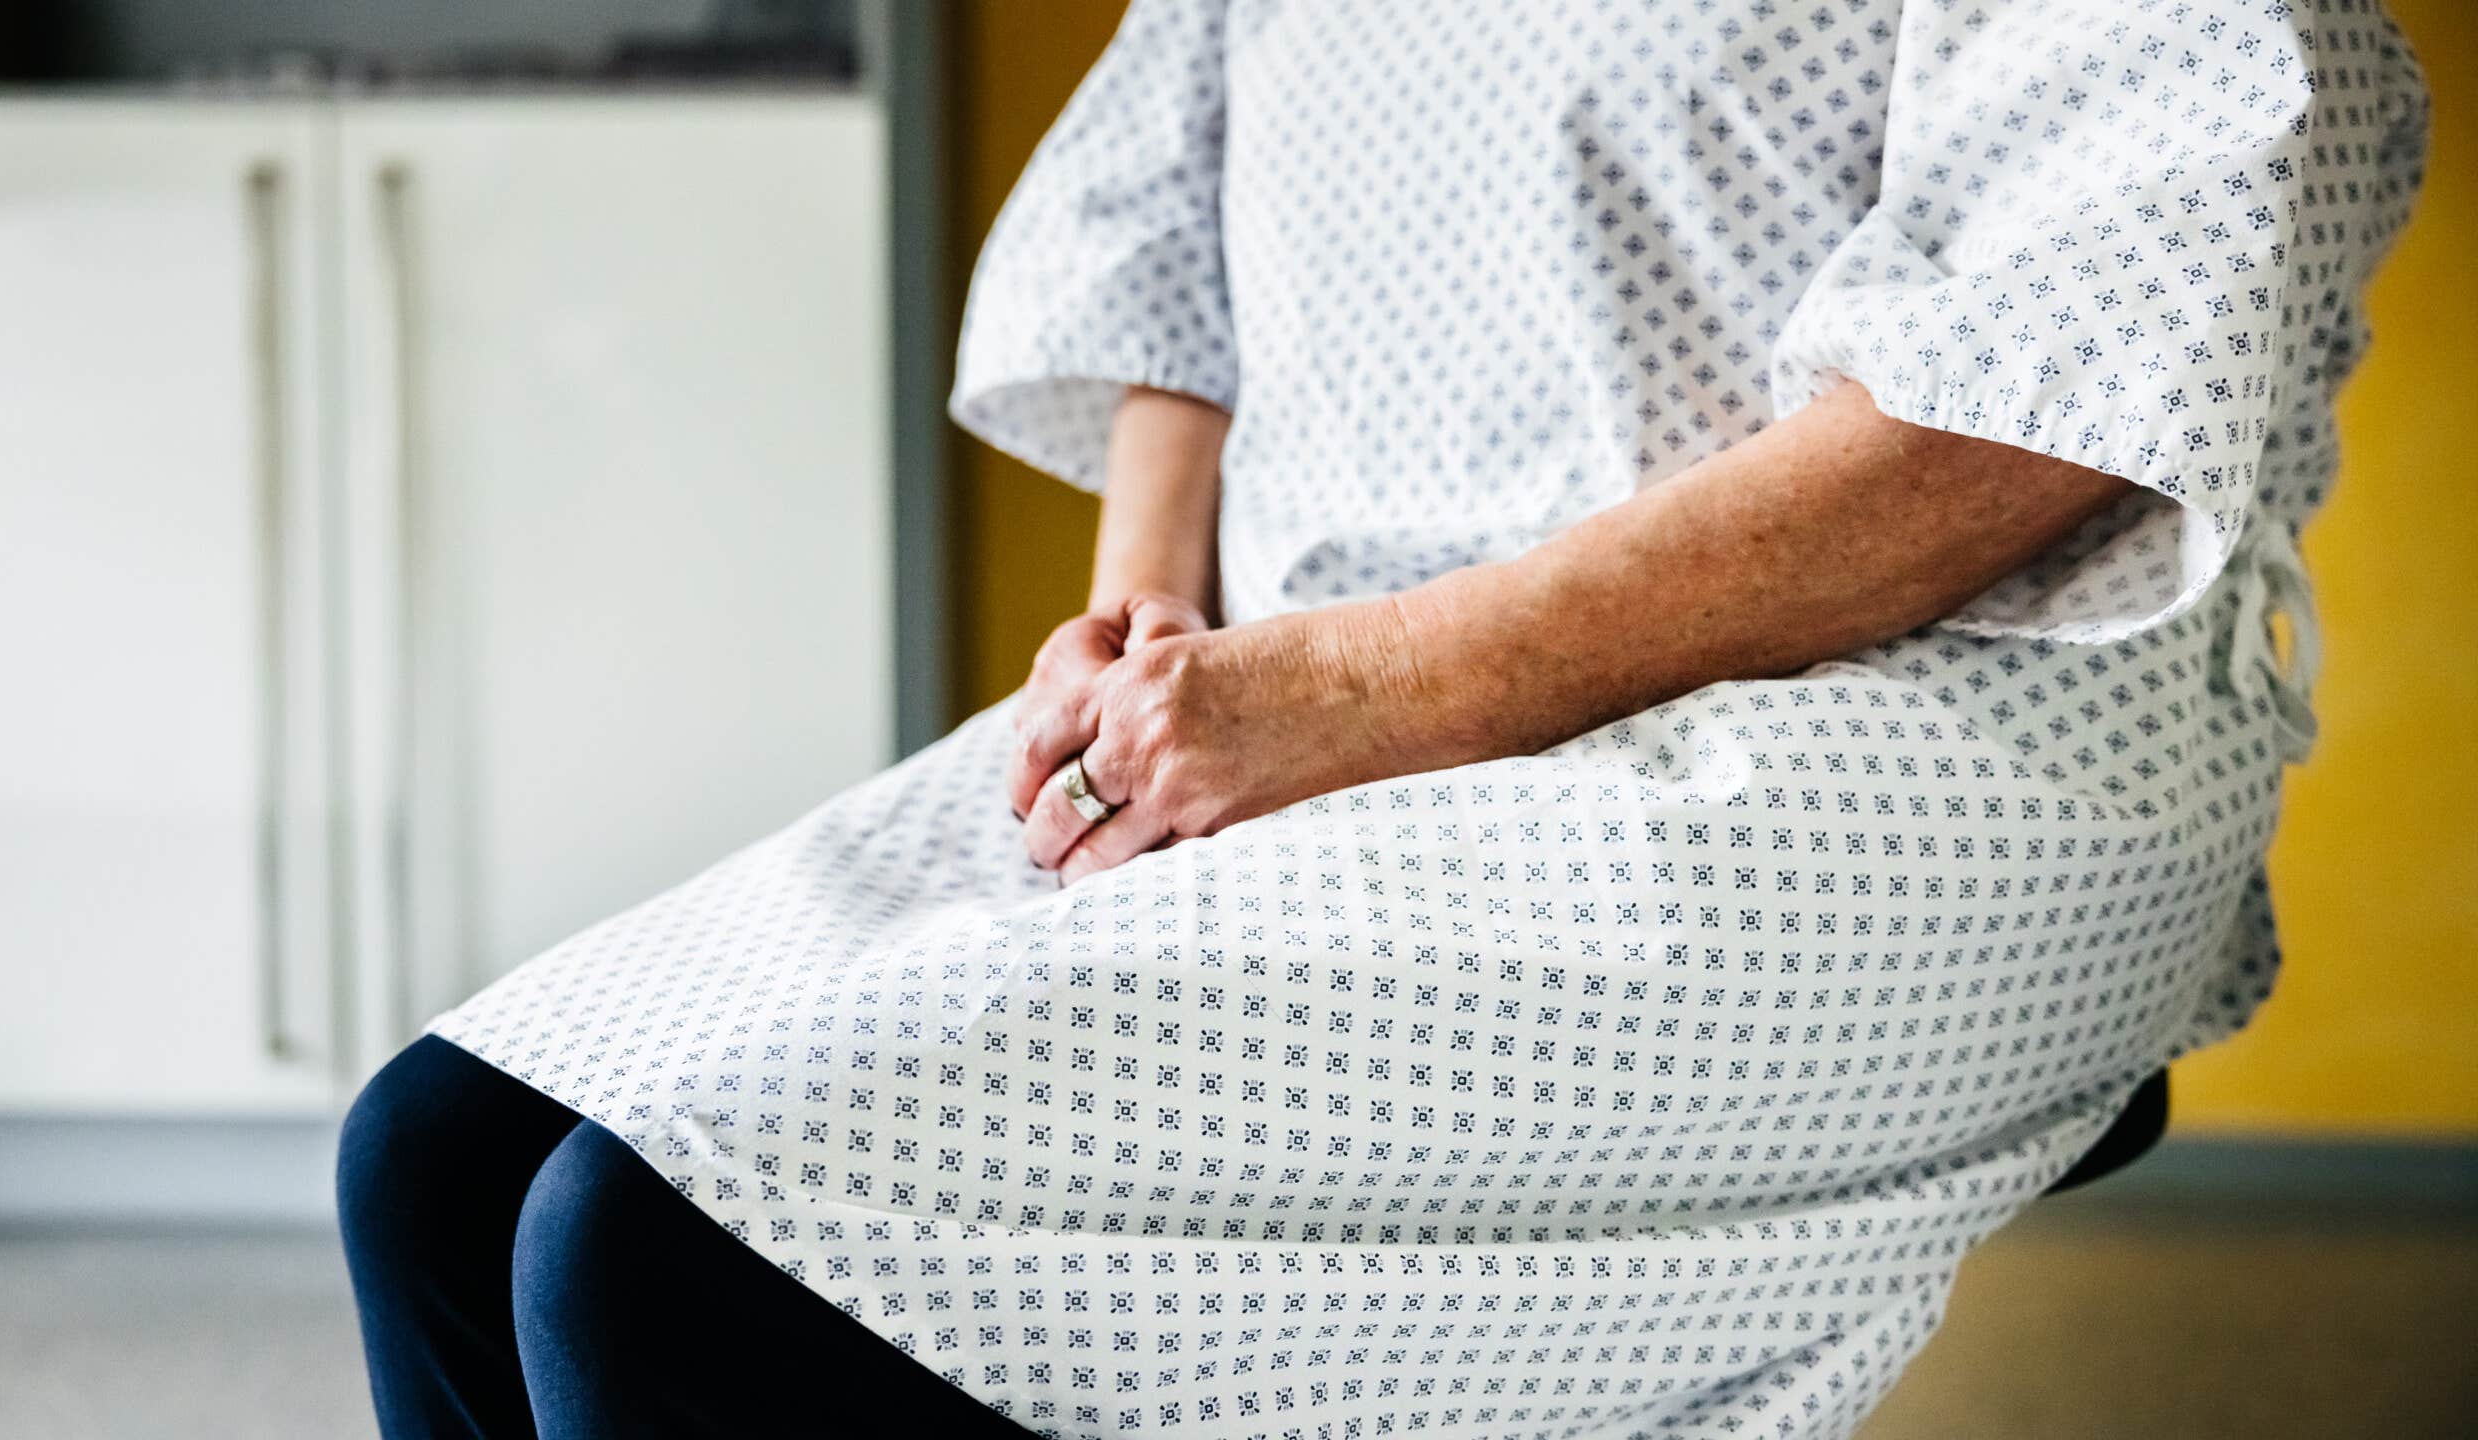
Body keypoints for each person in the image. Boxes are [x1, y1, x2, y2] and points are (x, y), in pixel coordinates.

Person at [338, 2, 2429, 1436]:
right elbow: (1170, 242)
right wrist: (1148, 620)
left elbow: (2021, 416)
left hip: (1893, 717)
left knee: (667, 1254)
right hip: (1298, 682)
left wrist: (1366, 689)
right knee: (442, 1156)